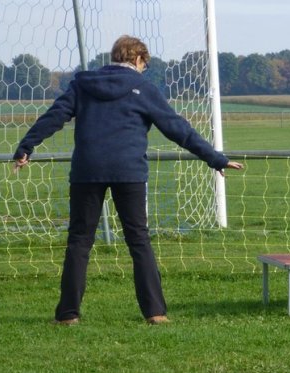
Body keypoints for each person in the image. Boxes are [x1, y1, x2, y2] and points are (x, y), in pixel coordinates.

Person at [13, 35, 243, 325]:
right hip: (129, 172)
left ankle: (68, 314)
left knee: (80, 241)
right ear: (137, 60)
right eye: (145, 64)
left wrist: (26, 147)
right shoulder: (143, 87)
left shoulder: (83, 85)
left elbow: (54, 116)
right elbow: (177, 128)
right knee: (138, 240)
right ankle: (155, 313)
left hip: (87, 171)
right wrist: (215, 158)